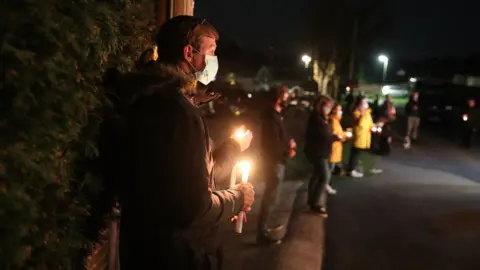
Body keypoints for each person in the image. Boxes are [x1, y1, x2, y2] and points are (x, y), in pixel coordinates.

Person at [119, 16, 255, 270]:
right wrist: (237, 198)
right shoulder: (176, 110)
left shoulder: (148, 98)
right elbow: (194, 206)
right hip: (178, 255)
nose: (214, 60)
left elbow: (193, 175)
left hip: (145, 248)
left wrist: (233, 148)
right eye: (210, 52)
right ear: (188, 54)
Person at [256, 86, 296, 244]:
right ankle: (262, 234)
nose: (288, 99)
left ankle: (264, 227)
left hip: (277, 160)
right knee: (270, 197)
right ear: (279, 98)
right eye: (286, 96)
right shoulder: (271, 117)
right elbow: (272, 143)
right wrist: (288, 151)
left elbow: (280, 137)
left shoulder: (276, 116)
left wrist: (289, 142)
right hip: (274, 161)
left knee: (273, 196)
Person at [304, 95, 340, 217]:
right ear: (322, 106)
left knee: (316, 176)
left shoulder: (323, 118)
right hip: (318, 151)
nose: (330, 109)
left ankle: (311, 201)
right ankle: (315, 203)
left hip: (322, 150)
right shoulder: (317, 119)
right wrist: (336, 137)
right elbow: (324, 136)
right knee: (324, 176)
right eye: (328, 106)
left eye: (331, 107)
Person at [347, 96, 382, 178]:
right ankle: (351, 170)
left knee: (357, 154)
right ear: (359, 104)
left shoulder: (367, 113)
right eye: (363, 103)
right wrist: (362, 113)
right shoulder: (356, 113)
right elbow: (360, 123)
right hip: (359, 137)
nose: (366, 104)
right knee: (355, 153)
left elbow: (370, 124)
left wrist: (375, 126)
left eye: (366, 102)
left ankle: (353, 168)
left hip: (365, 137)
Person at [327, 103, 349, 194]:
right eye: (339, 110)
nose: (341, 112)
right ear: (334, 110)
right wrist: (344, 135)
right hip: (333, 148)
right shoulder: (332, 121)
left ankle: (326, 184)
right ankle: (326, 185)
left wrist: (344, 135)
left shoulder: (336, 121)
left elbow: (339, 133)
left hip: (336, 148)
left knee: (330, 168)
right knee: (329, 169)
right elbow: (335, 134)